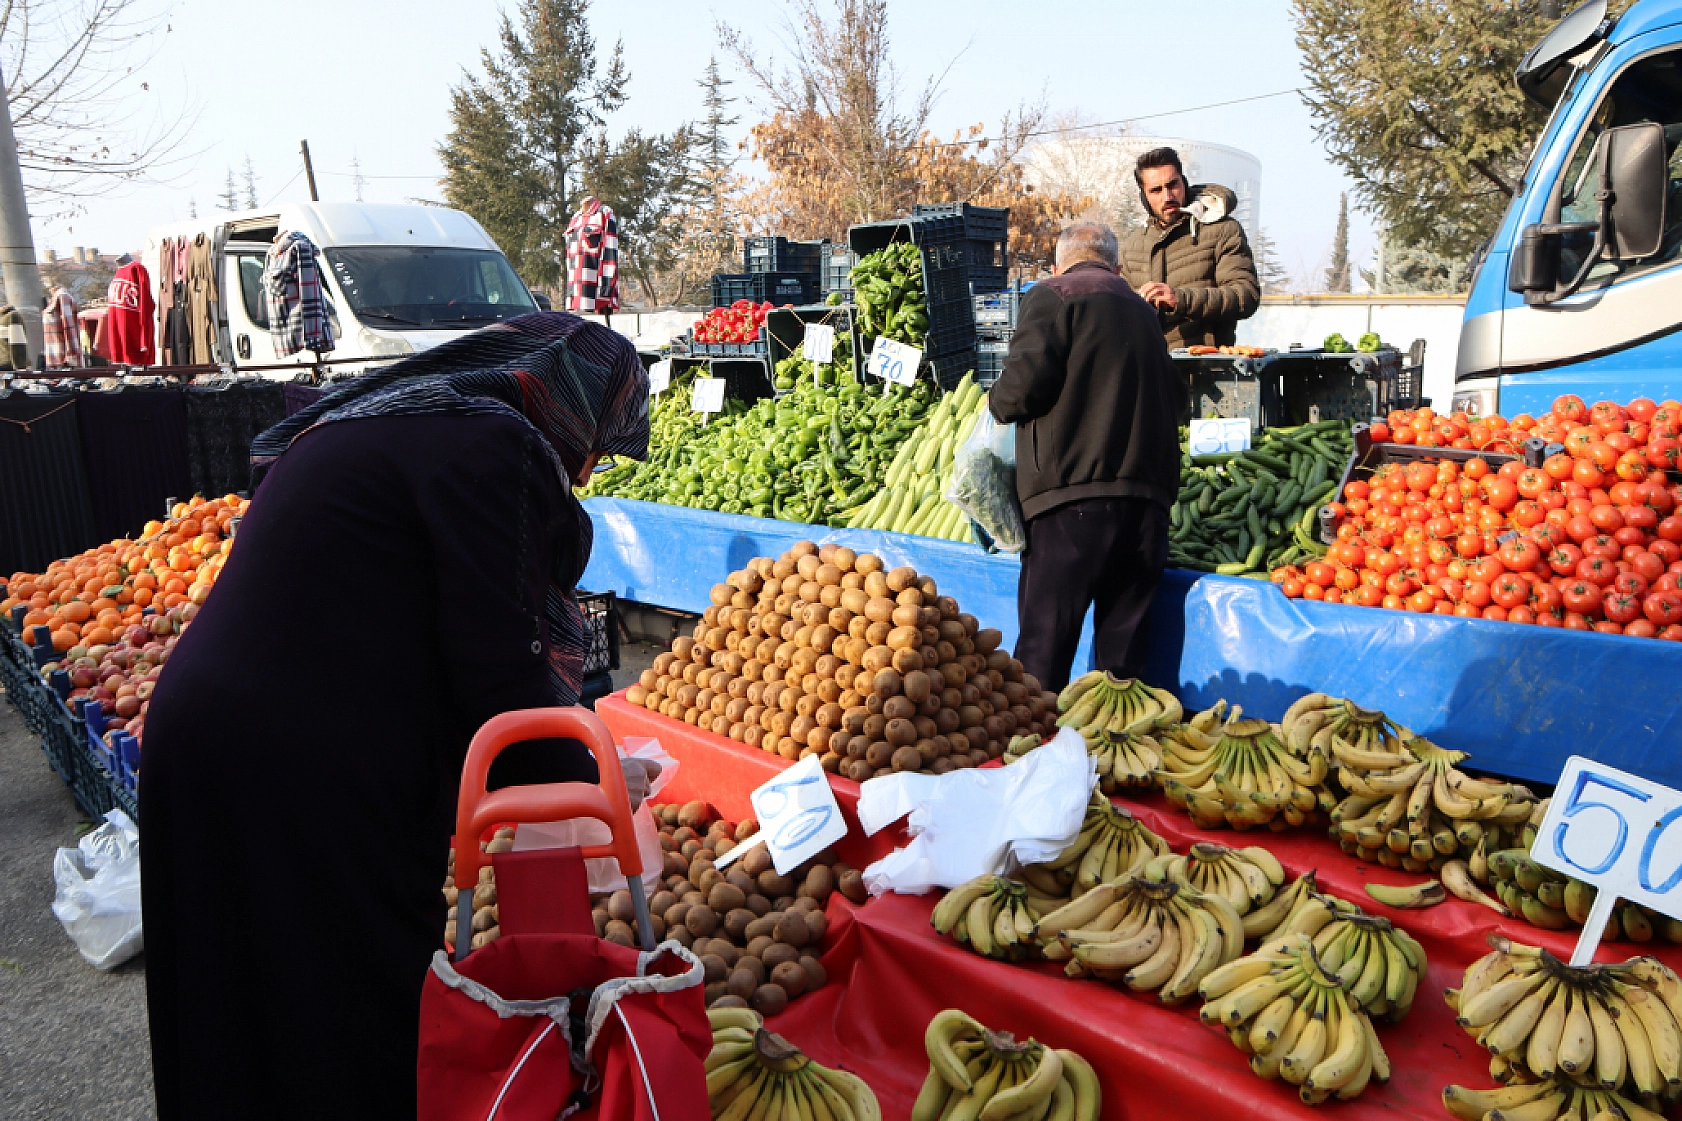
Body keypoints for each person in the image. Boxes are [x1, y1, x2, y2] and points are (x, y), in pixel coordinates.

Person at [139, 312, 655, 1121]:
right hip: (301, 760)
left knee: (227, 985)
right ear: (569, 403)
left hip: (204, 729)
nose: (586, 470)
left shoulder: (392, 417)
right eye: (596, 443)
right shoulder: (496, 446)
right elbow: (498, 664)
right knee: (356, 993)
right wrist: (592, 777)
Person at [989, 223, 1188, 692]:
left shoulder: (1053, 295)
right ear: (1117, 268)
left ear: (1059, 265)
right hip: (1145, 505)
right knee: (1121, 673)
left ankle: (1036, 754)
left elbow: (1017, 393)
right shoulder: (1143, 311)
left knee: (1044, 653)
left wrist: (995, 400)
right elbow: (1176, 398)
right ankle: (1111, 758)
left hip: (1070, 502)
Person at [1119, 146, 1260, 349]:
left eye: (1172, 185)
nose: (1167, 196)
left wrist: (1180, 299)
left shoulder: (1222, 229)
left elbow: (1246, 296)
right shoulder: (1133, 245)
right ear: (1144, 197)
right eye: (1156, 190)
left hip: (1206, 370)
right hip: (1150, 370)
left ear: (1183, 182)